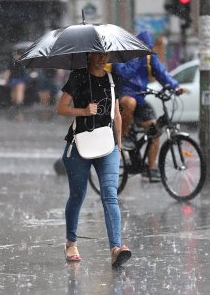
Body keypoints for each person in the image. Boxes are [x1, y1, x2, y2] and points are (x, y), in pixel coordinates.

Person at [56, 52, 132, 267]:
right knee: (78, 195)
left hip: (107, 145)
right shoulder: (78, 76)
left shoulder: (112, 79)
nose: (102, 58)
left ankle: (116, 249)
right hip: (79, 145)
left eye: (105, 54)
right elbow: (60, 108)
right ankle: (71, 242)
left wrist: (118, 142)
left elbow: (116, 113)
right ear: (89, 54)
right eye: (98, 54)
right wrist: (83, 110)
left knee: (110, 195)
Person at [111, 31, 185, 183]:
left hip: (140, 98)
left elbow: (162, 73)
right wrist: (137, 57)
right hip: (123, 97)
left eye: (147, 49)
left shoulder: (149, 57)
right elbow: (125, 73)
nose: (146, 52)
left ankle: (151, 168)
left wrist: (174, 87)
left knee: (155, 130)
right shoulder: (123, 55)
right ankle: (123, 136)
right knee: (130, 103)